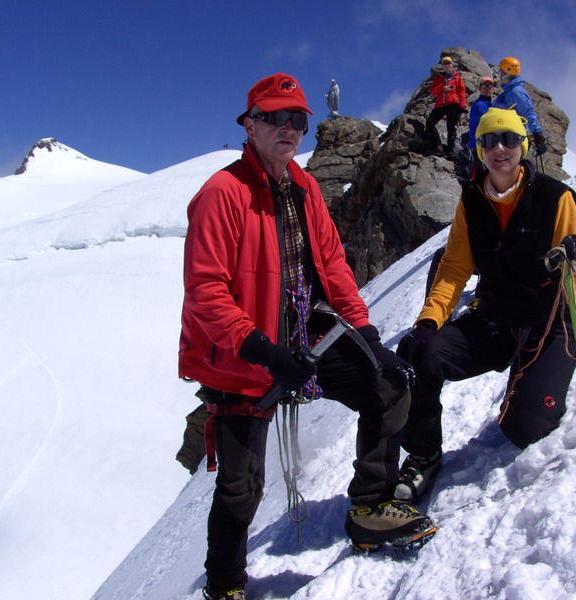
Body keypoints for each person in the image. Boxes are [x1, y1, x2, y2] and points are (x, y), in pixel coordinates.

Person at [179, 73, 436, 600]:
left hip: (304, 339)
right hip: (245, 356)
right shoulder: (222, 194)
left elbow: (334, 266)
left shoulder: (305, 188)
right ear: (249, 126)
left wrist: (368, 337)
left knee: (388, 386)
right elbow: (206, 291)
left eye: (296, 119)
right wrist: (265, 352)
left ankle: (370, 507)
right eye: (274, 117)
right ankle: (224, 587)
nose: (288, 128)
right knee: (240, 488)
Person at [394, 108, 576, 503]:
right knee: (420, 354)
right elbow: (454, 269)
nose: (499, 148)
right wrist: (428, 322)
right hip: (496, 317)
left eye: (508, 139)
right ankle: (423, 455)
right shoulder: (472, 201)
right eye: (489, 140)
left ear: (523, 145)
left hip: (550, 321)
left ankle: (531, 383)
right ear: (479, 149)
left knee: (526, 428)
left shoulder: (555, 197)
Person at [493, 57, 548, 157]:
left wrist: (538, 135)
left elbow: (528, 113)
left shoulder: (516, 92)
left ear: (507, 73)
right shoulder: (507, 92)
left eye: (501, 72)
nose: (499, 75)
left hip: (514, 138)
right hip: (506, 136)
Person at [424, 55, 467, 159]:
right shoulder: (439, 78)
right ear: (442, 66)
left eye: (449, 63)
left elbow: (461, 92)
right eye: (445, 63)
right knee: (430, 123)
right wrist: (442, 88)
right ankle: (438, 147)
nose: (447, 65)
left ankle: (451, 151)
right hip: (441, 105)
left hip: (453, 104)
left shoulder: (457, 77)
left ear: (452, 65)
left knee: (451, 128)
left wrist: (462, 106)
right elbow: (433, 90)